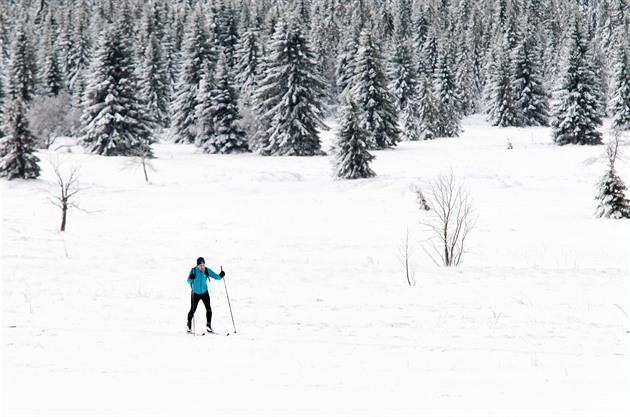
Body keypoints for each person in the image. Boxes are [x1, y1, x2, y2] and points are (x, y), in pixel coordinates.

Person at [187, 256, 225, 333]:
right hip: (195, 293)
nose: (202, 267)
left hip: (204, 292)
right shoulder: (193, 270)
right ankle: (188, 324)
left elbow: (216, 276)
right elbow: (188, 280)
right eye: (200, 265)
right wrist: (191, 277)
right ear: (197, 265)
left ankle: (208, 326)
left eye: (203, 265)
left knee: (208, 309)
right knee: (193, 310)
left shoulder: (207, 270)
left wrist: (221, 275)